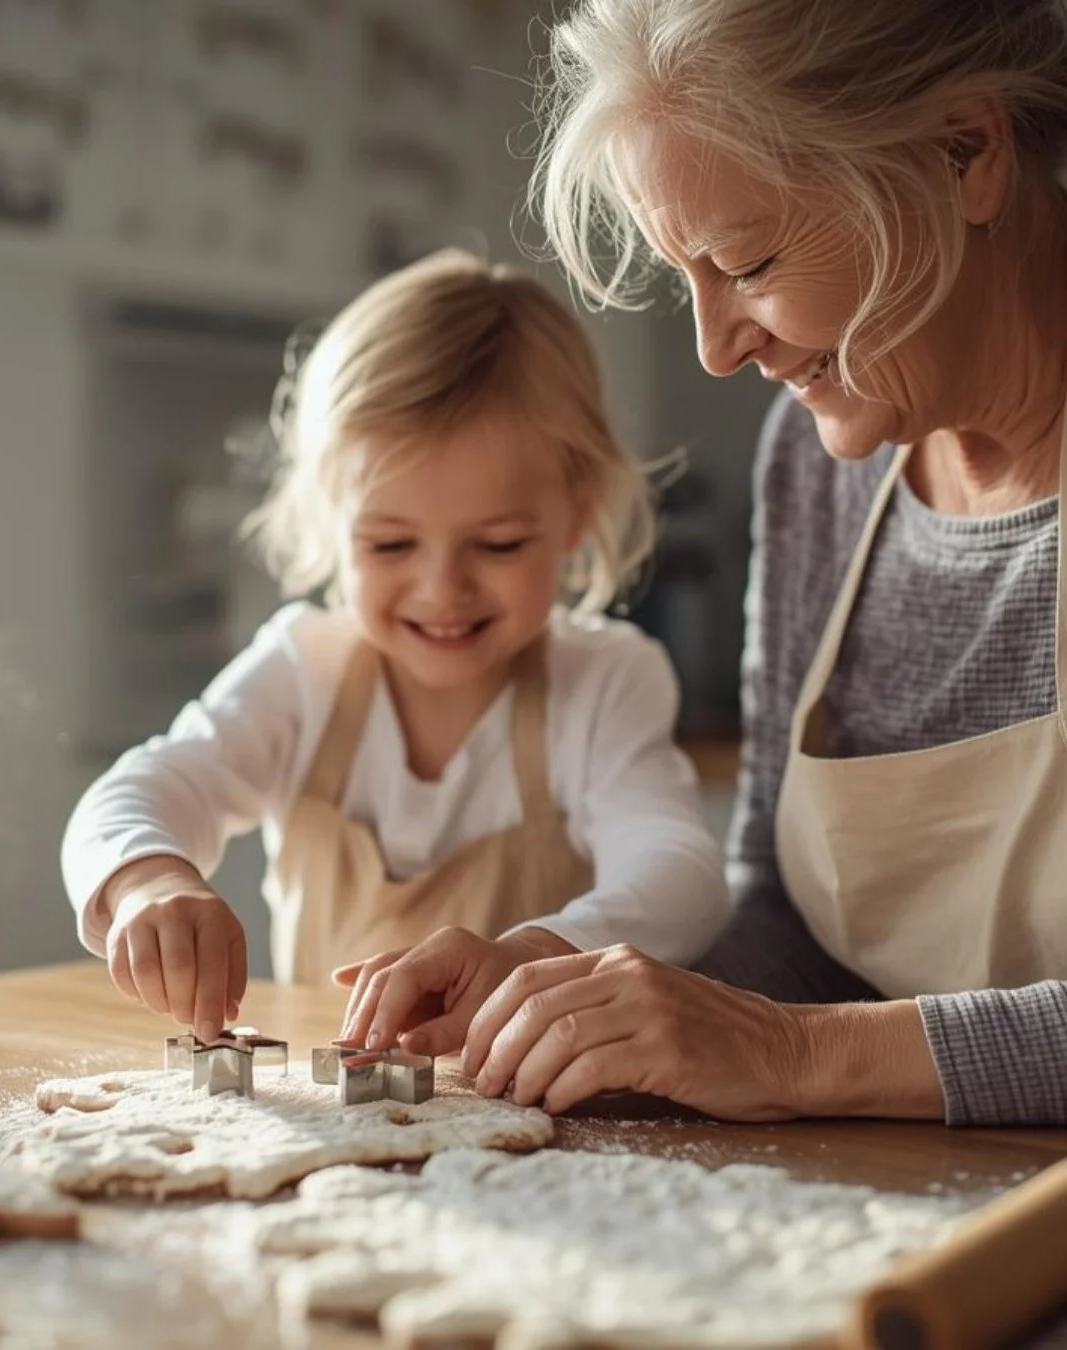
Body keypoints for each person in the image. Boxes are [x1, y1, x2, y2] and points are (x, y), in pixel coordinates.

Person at [339, 0, 1067, 1127]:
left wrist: (801, 1056)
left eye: (750, 261)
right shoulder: (820, 462)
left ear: (965, 153)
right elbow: (783, 912)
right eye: (688, 276)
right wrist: (569, 983)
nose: (718, 348)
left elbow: (796, 1035)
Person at [60, 248, 727, 1046]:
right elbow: (140, 791)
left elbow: (682, 876)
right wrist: (146, 879)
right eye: (389, 545)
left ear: (578, 515)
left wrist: (536, 954)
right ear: (328, 525)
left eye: (500, 544)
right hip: (337, 1143)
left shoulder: (601, 683)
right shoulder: (304, 672)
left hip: (551, 1119)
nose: (442, 589)